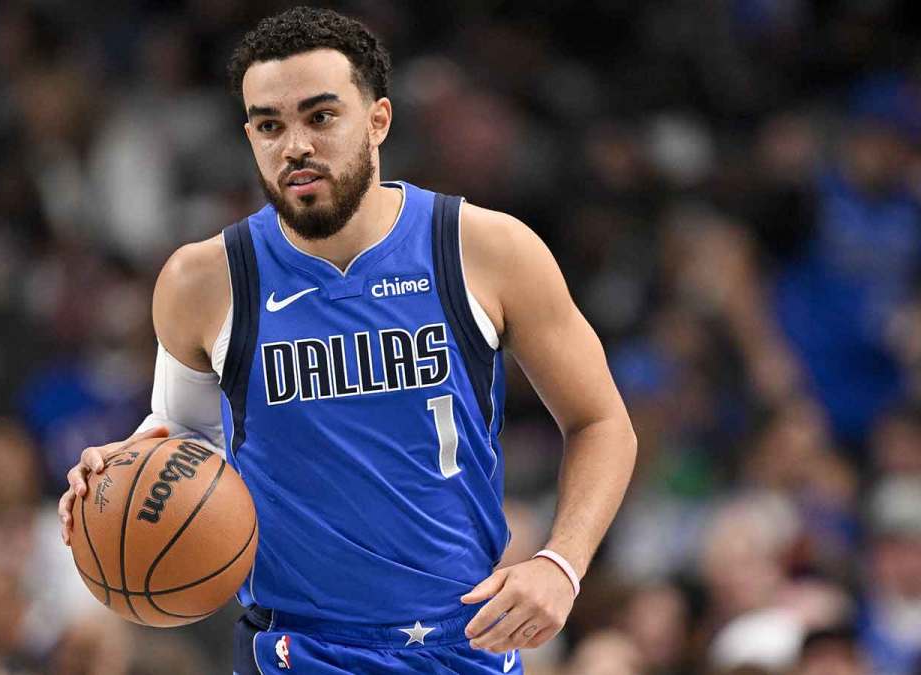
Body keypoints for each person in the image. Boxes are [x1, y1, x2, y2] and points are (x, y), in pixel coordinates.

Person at [58, 7, 636, 673]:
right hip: (291, 649)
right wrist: (118, 468)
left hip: (461, 642)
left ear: (378, 119)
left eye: (320, 116)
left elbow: (602, 421)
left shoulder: (484, 248)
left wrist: (561, 563)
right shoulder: (202, 279)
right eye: (269, 125)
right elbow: (186, 439)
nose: (293, 145)